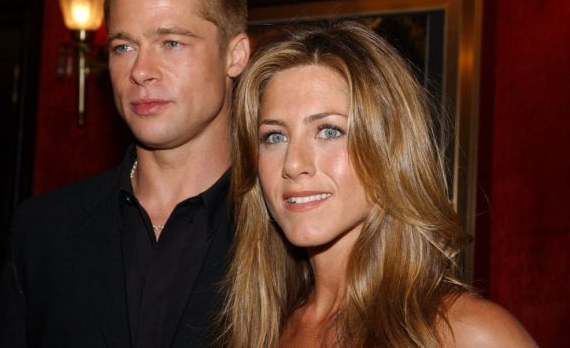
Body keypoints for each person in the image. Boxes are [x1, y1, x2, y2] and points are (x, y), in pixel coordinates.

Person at [0, 0, 249, 347]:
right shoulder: (43, 231)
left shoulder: (287, 232)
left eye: (171, 43)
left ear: (235, 55)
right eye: (123, 47)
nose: (140, 71)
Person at [221, 21, 536, 347]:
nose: (294, 164)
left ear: (389, 150)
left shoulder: (468, 333)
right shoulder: (263, 328)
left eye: (329, 131)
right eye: (274, 136)